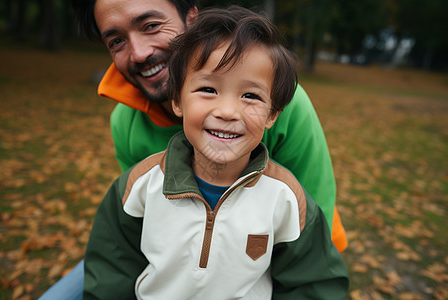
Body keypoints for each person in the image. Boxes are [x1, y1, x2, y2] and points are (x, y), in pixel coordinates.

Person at [39, 0, 347, 298]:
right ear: (178, 100)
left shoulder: (286, 107)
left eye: (151, 25)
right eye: (116, 41)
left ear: (191, 18)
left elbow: (309, 233)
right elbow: (134, 234)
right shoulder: (125, 124)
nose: (139, 53)